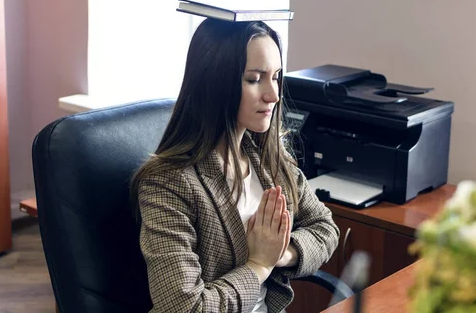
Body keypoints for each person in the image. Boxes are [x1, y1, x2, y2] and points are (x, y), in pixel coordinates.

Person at [130, 18, 339, 313]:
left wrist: (280, 253)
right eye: (254, 79)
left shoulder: (269, 157)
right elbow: (183, 308)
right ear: (215, 83)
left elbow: (325, 228)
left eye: (276, 76)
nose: (274, 94)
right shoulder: (168, 183)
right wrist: (259, 264)